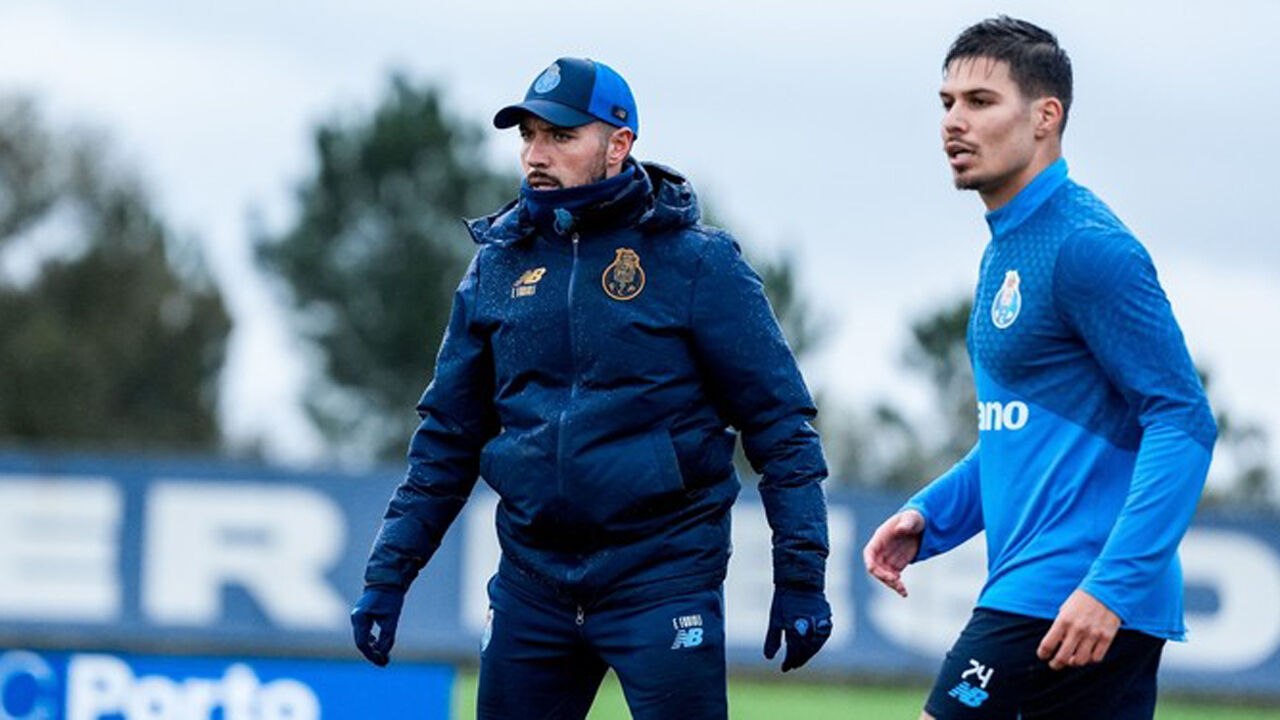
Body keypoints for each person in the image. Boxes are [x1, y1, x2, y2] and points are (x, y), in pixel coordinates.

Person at [351, 56, 833, 719]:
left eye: (560, 136)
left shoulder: (697, 262)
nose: (535, 155)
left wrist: (802, 578)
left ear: (619, 143)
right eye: (527, 136)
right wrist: (388, 576)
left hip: (663, 579)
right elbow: (447, 439)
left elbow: (781, 429)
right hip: (533, 584)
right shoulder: (497, 265)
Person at [861, 17, 1217, 720]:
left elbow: (1184, 421)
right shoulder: (1007, 248)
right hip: (1063, 596)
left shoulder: (1087, 247)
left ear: (1045, 117)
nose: (954, 123)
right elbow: (1021, 430)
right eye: (946, 103)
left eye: (980, 102)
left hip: (1066, 593)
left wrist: (1109, 588)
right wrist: (931, 513)